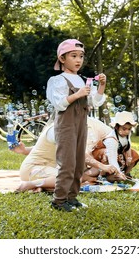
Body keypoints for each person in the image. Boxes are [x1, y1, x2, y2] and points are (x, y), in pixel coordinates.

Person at [46, 39, 107, 212]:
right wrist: (77, 94)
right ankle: (59, 200)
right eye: (73, 56)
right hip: (66, 125)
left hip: (81, 124)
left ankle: (72, 198)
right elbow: (58, 104)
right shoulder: (57, 80)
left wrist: (101, 85)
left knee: (79, 163)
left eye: (81, 56)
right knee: (67, 163)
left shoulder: (83, 80)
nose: (78, 60)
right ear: (63, 58)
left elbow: (95, 101)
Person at [14, 116, 118, 193]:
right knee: (70, 179)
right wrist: (102, 166)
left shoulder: (65, 129)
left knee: (77, 177)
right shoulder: (57, 130)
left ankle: (42, 185)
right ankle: (28, 184)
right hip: (32, 169)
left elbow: (42, 149)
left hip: (43, 169)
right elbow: (78, 153)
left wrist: (23, 150)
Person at [90, 111, 139, 183]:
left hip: (117, 152)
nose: (127, 131)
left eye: (129, 129)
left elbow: (128, 143)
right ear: (117, 127)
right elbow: (112, 158)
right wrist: (118, 172)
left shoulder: (127, 134)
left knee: (134, 154)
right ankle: (104, 176)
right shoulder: (111, 139)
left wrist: (128, 155)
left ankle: (126, 174)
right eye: (124, 129)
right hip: (103, 155)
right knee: (106, 155)